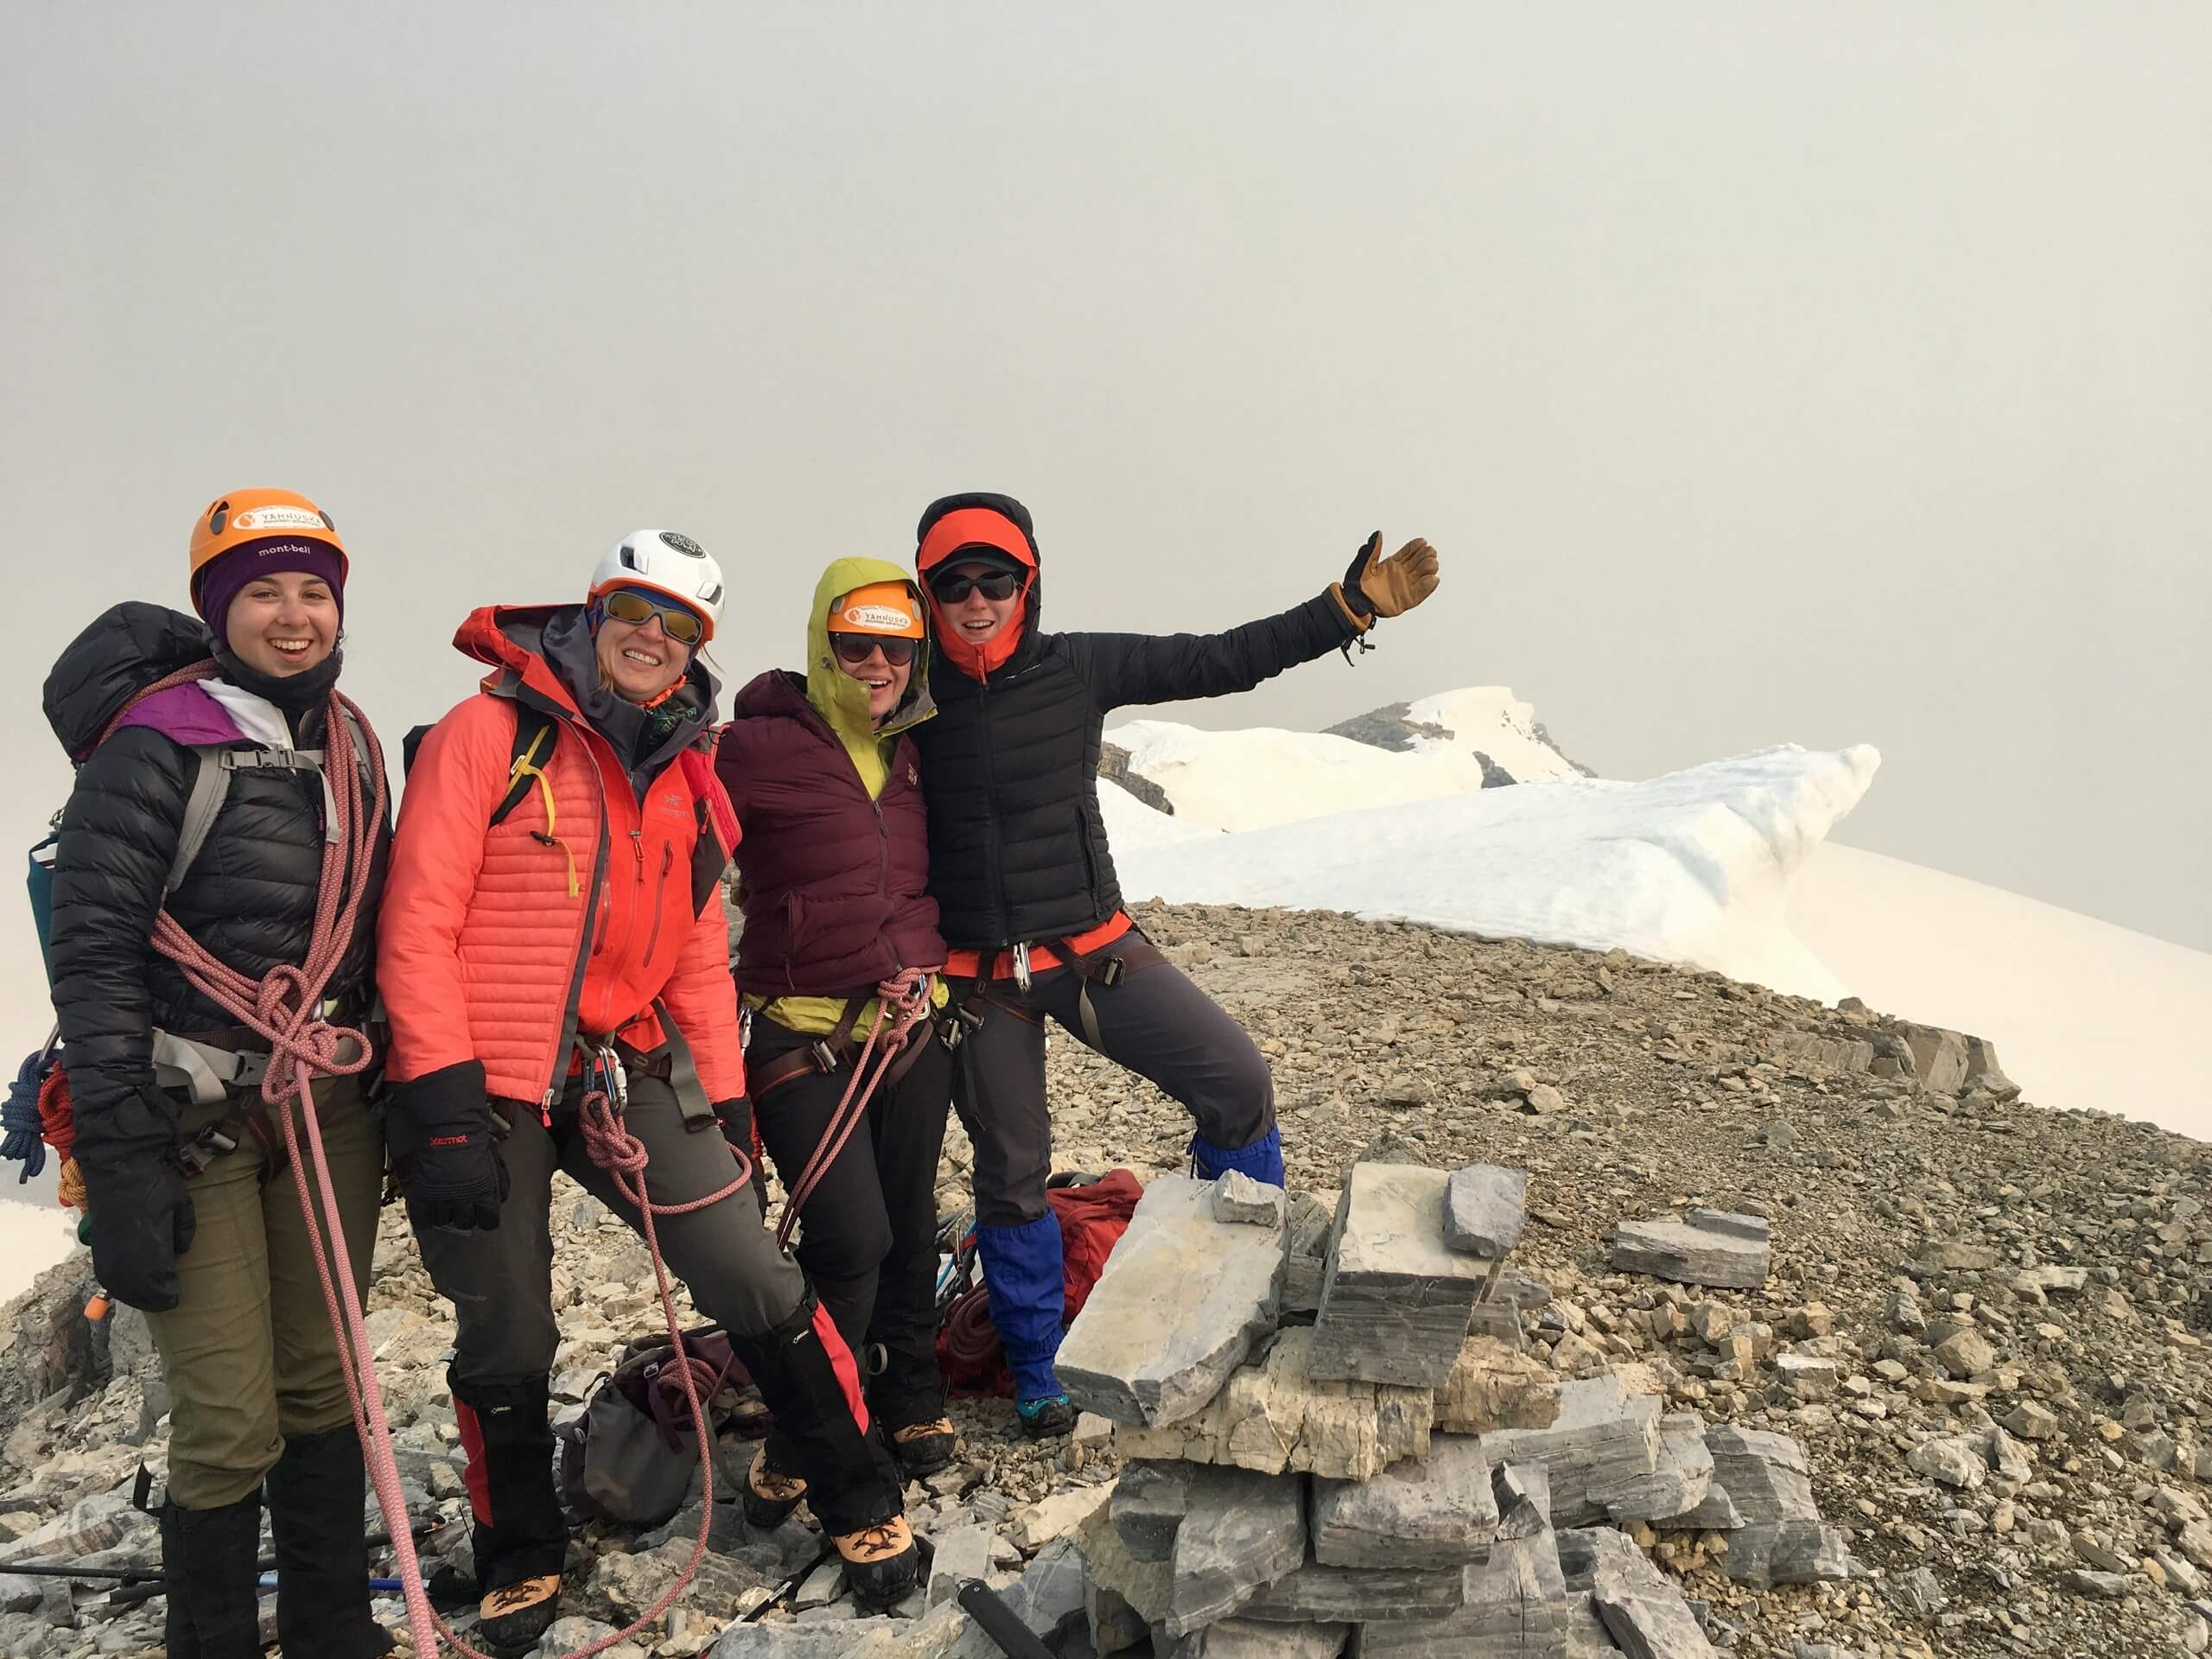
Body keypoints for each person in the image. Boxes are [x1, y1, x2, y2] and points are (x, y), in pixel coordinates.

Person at [377, 531, 915, 1651]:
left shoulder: (684, 776)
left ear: (698, 648)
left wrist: (724, 1110)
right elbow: (416, 922)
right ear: (593, 609)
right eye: (637, 610)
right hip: (489, 1075)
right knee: (507, 1321)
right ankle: (521, 1551)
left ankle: (857, 1493)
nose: (653, 637)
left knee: (751, 1271)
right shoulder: (489, 737)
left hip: (626, 1067)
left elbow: (693, 961)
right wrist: (435, 1100)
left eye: (682, 626)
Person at [908, 493, 1440, 1435]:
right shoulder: (903, 690)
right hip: (976, 978)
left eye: (997, 577)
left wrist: (1345, 611)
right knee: (1010, 1170)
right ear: (928, 592)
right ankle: (1035, 1367)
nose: (977, 597)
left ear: (1027, 582)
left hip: (1093, 952)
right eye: (955, 582)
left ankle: (1232, 1295)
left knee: (1236, 1082)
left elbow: (1218, 659)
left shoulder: (1075, 666)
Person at [42, 489, 393, 1658]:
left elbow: (373, 928)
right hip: (190, 1120)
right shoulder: (156, 748)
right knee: (230, 1420)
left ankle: (336, 1633)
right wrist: (120, 1148)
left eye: (313, 592)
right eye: (262, 592)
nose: (293, 617)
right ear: (215, 609)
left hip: (324, 1108)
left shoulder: (349, 743)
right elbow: (90, 957)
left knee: (323, 1389)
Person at [715, 561, 958, 1489]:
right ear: (823, 640)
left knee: (907, 1225)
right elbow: (679, 862)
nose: (873, 664)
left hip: (912, 1033)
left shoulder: (919, 750)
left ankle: (912, 1395)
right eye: (853, 643)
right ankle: (812, 1427)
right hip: (801, 1036)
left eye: (894, 648)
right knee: (849, 1238)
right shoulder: (756, 746)